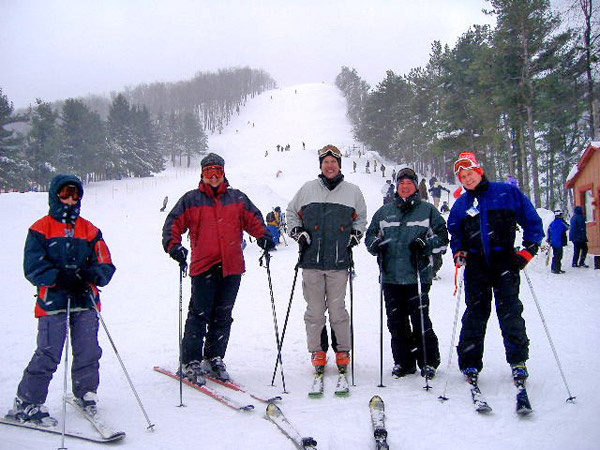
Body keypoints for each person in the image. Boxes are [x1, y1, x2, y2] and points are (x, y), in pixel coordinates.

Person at [8, 174, 116, 426]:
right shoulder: (40, 228)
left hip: (84, 298)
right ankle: (28, 400)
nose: (70, 199)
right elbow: (32, 266)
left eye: (75, 194)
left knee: (88, 349)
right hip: (53, 300)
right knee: (49, 351)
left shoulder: (89, 230)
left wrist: (90, 274)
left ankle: (85, 391)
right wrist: (58, 277)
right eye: (65, 194)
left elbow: (106, 263)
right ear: (55, 195)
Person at [162, 153, 275, 384]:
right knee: (199, 315)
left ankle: (213, 357)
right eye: (208, 172)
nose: (213, 176)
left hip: (232, 267)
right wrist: (174, 246)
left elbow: (253, 219)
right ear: (202, 175)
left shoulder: (237, 198)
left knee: (223, 316)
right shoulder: (191, 199)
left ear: (223, 173)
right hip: (204, 266)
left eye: (217, 172)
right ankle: (190, 360)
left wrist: (263, 235)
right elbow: (172, 223)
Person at [447, 152, 544, 385]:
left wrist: (528, 250)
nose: (467, 179)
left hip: (505, 262)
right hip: (476, 265)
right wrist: (459, 251)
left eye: (470, 174)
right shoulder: (462, 203)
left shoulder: (506, 192)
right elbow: (455, 231)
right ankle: (470, 362)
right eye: (463, 177)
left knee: (510, 312)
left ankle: (518, 361)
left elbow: (531, 220)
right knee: (475, 314)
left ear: (479, 171)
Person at [286, 144, 367, 376]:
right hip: (311, 261)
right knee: (314, 310)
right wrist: (297, 232)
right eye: (325, 162)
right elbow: (291, 212)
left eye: (333, 162)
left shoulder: (352, 191)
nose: (330, 166)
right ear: (321, 166)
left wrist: (355, 235)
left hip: (339, 262)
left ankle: (342, 350)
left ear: (339, 165)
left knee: (338, 310)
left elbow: (361, 217)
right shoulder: (307, 189)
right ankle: (317, 351)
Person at [365, 168, 447, 379]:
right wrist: (376, 244)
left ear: (415, 186)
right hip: (391, 277)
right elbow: (370, 235)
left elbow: (443, 237)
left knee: (420, 320)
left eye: (409, 183)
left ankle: (428, 361)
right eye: (401, 183)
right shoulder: (384, 212)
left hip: (417, 276)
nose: (405, 186)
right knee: (396, 323)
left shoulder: (427, 210)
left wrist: (426, 244)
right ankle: (403, 361)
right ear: (397, 186)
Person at [547, 209, 569, 274]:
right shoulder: (561, 223)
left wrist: (549, 240)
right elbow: (568, 227)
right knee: (559, 256)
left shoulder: (552, 223)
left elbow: (548, 231)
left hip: (553, 242)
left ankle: (554, 268)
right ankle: (557, 269)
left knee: (555, 255)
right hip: (559, 242)